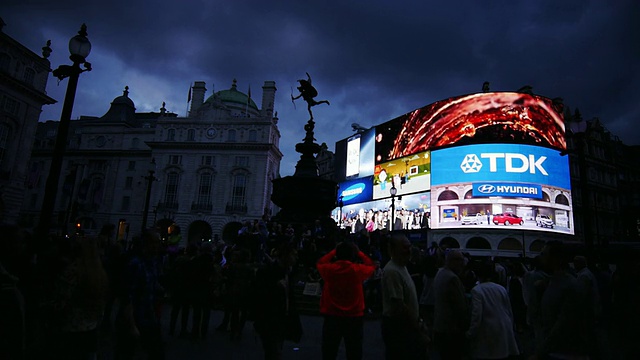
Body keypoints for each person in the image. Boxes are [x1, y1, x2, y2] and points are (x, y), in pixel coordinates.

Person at [316, 241, 375, 360]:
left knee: (329, 351)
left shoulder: (330, 270)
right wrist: (359, 252)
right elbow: (371, 265)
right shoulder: (357, 270)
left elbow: (320, 262)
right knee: (354, 351)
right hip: (354, 316)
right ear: (353, 256)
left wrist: (334, 250)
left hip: (332, 315)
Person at [534, 241, 587, 359]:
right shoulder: (553, 281)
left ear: (556, 259)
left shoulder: (569, 284)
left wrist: (541, 351)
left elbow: (563, 323)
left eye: (544, 254)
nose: (541, 258)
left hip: (564, 352)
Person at [381, 233, 428, 360]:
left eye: (409, 247)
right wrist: (417, 327)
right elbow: (399, 305)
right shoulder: (392, 271)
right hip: (400, 328)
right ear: (392, 249)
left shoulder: (401, 267)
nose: (408, 250)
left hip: (405, 326)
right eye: (404, 247)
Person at [251, 242, 301, 359]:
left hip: (281, 318)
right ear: (285, 256)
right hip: (270, 319)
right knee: (274, 352)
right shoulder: (269, 272)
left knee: (275, 351)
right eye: (294, 255)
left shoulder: (287, 273)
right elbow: (258, 294)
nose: (296, 258)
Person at [466, 260, 519, 360]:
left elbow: (476, 315)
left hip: (488, 330)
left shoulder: (477, 290)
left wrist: (470, 332)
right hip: (504, 327)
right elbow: (508, 310)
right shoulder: (501, 288)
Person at [432, 250, 469, 360]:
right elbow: (460, 306)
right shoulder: (452, 278)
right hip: (451, 330)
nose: (462, 264)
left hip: (440, 326)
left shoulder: (440, 273)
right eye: (461, 261)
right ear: (453, 261)